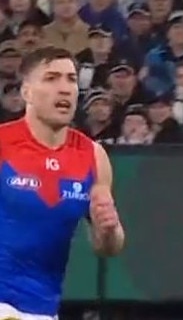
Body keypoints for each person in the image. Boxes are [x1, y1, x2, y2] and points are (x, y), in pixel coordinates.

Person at [0, 46, 125, 319]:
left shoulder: (93, 155)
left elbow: (108, 247)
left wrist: (109, 228)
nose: (65, 88)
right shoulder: (3, 144)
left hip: (43, 309)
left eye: (71, 79)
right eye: (51, 78)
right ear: (26, 92)